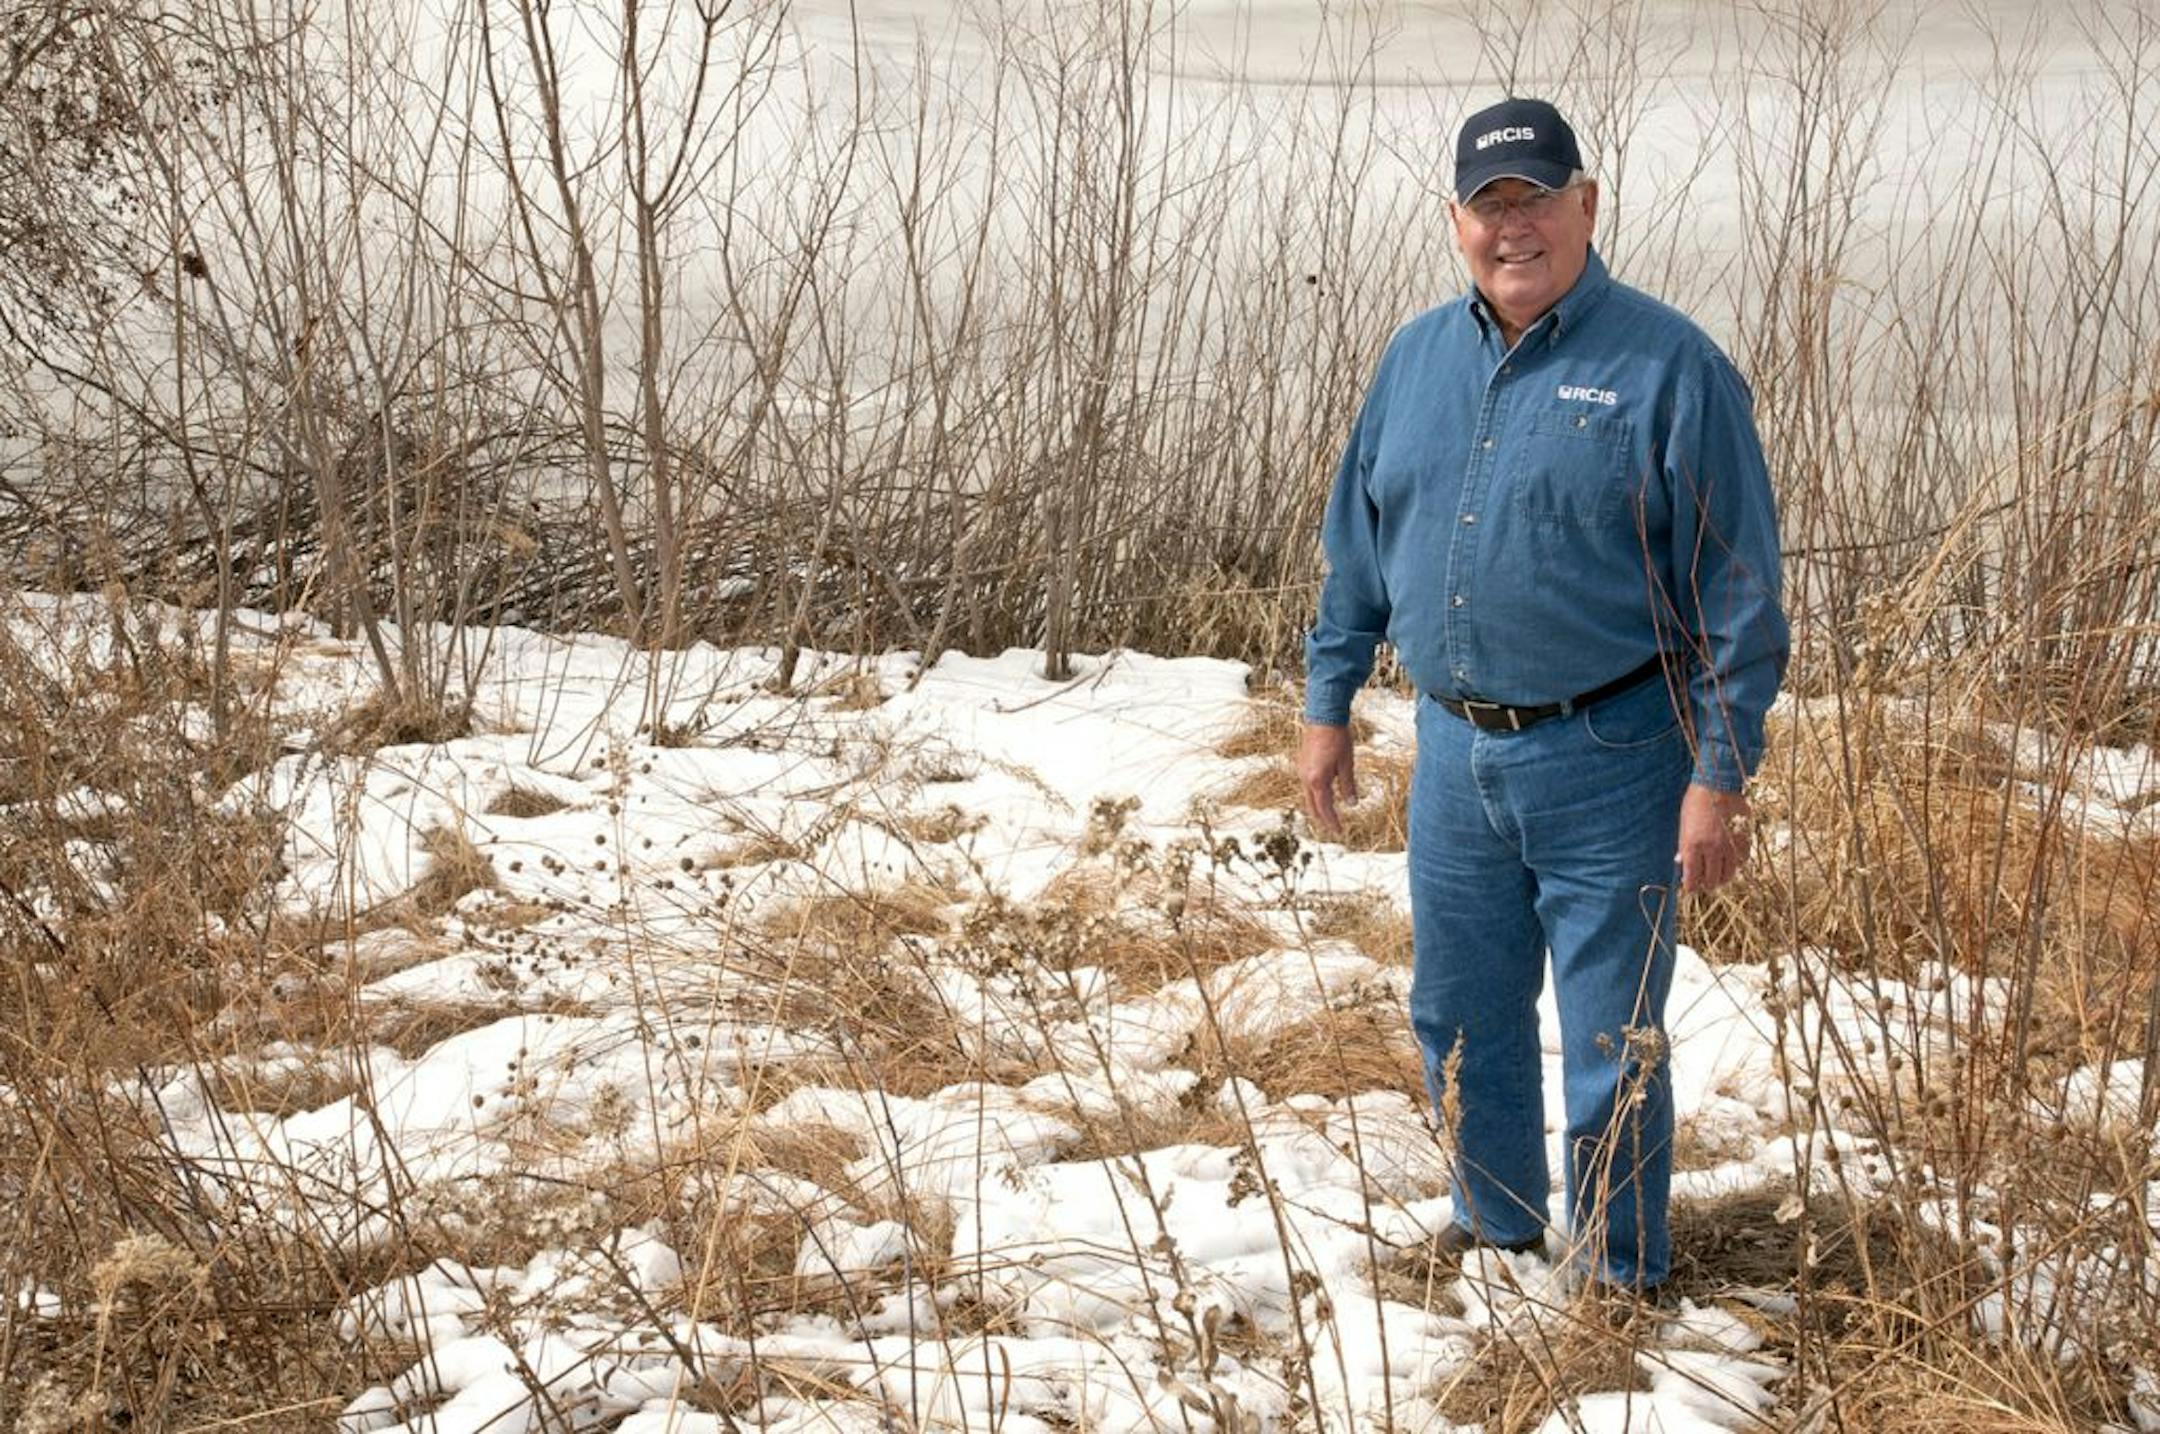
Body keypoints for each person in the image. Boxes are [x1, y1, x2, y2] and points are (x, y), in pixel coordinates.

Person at [1297, 96, 1788, 1300]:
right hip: (1455, 754)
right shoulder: (1413, 359)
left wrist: (1717, 778)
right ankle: (1498, 1230)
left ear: (1587, 204)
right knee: (1460, 1012)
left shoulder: (1670, 367)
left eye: (1536, 199)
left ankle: (1620, 1279)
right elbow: (1359, 547)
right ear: (1457, 220)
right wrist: (1328, 699)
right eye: (1488, 204)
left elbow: (1740, 596)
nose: (1512, 227)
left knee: (1614, 1044)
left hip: (1617, 754)